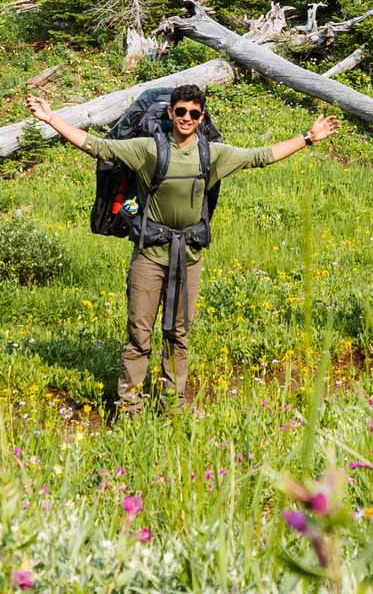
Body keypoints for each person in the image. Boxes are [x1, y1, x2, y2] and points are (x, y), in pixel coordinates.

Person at [29, 86, 340, 416]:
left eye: (193, 113)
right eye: (180, 112)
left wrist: (308, 138)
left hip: (188, 259)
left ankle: (173, 404)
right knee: (139, 334)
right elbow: (98, 147)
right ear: (170, 113)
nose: (186, 118)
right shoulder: (148, 150)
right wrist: (51, 118)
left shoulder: (212, 154)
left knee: (179, 335)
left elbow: (260, 156)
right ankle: (129, 407)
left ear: (201, 117)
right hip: (150, 256)